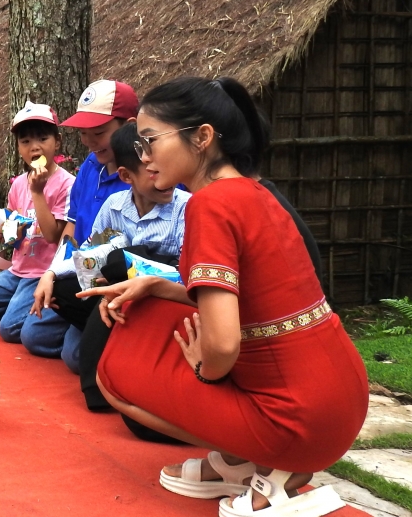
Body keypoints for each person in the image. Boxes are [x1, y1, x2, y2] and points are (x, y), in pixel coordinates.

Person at [80, 77, 368, 517]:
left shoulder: (208, 205)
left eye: (151, 140)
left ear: (203, 137)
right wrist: (158, 285)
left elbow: (222, 344)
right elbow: (256, 299)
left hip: (297, 424)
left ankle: (271, 464)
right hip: (343, 401)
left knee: (113, 373)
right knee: (152, 307)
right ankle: (241, 462)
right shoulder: (258, 193)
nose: (144, 156)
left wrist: (205, 369)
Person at [30, 123, 190, 375]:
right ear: (127, 176)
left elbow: (187, 275)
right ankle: (118, 339)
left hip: (162, 301)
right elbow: (89, 251)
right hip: (114, 298)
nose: (166, 176)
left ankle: (130, 348)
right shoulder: (113, 205)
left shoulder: (185, 209)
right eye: (153, 170)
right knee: (63, 316)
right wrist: (50, 274)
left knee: (80, 356)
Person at [21, 81, 140, 365]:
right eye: (84, 133)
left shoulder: (142, 178)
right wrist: (52, 272)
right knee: (32, 336)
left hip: (113, 281)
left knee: (74, 357)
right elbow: (72, 228)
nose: (89, 141)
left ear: (130, 126)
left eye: (99, 133)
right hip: (78, 271)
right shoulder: (89, 166)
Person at [0, 101, 74, 344]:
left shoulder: (67, 184)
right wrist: (3, 232)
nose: (35, 147)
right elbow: (15, 231)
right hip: (18, 270)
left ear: (58, 141)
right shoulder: (18, 184)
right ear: (19, 148)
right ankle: (19, 306)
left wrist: (38, 192)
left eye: (43, 139)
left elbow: (53, 235)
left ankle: (35, 311)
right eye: (25, 142)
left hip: (43, 274)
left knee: (9, 330)